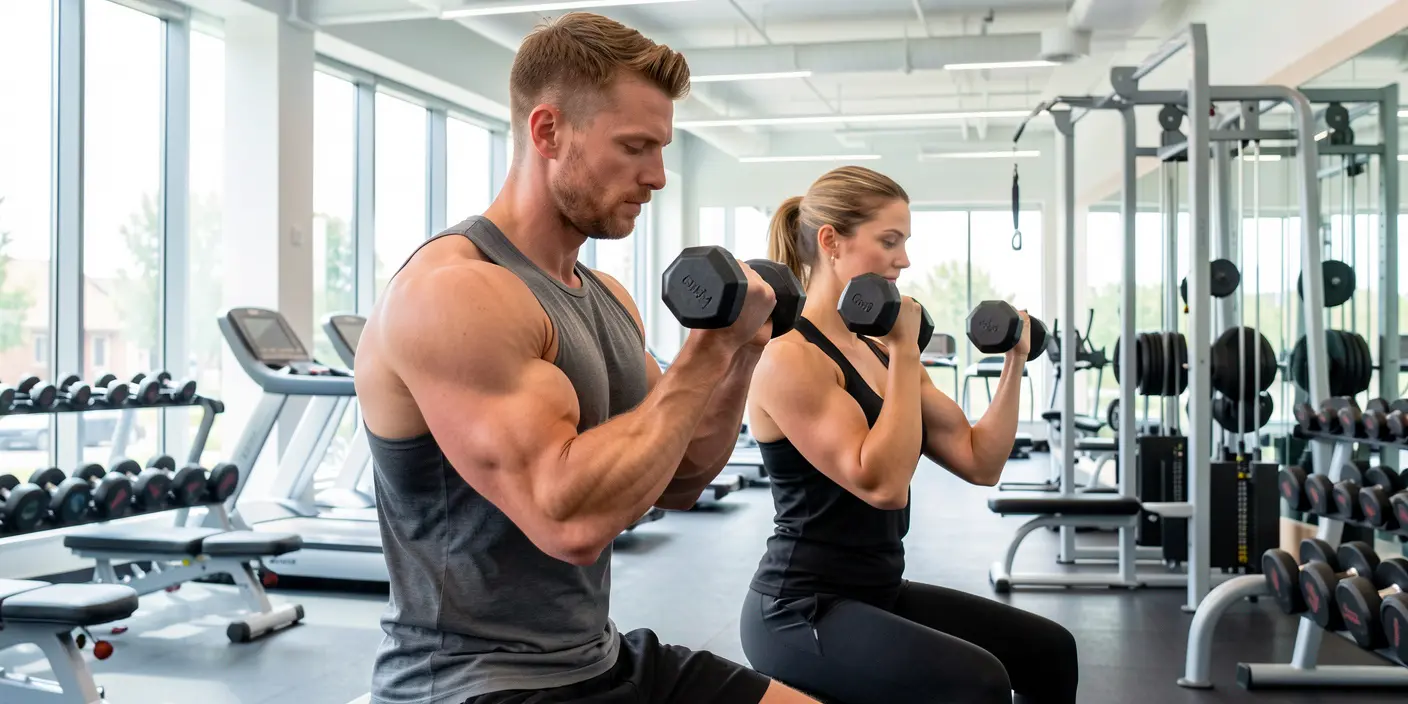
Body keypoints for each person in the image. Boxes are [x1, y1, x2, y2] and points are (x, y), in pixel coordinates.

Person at [353, 11, 819, 704]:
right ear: (548, 131)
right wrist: (705, 351)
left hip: (596, 657)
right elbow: (565, 520)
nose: (657, 176)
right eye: (635, 147)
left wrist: (742, 352)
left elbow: (681, 477)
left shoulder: (606, 296)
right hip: (474, 684)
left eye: (661, 149)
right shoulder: (456, 294)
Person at [738, 166, 1080, 704]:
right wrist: (904, 350)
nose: (904, 260)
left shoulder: (882, 350)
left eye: (905, 243)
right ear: (832, 242)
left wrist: (1017, 359)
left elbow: (979, 460)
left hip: (876, 591)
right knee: (978, 684)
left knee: (1050, 651)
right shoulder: (791, 358)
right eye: (889, 241)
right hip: (799, 610)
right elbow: (882, 484)